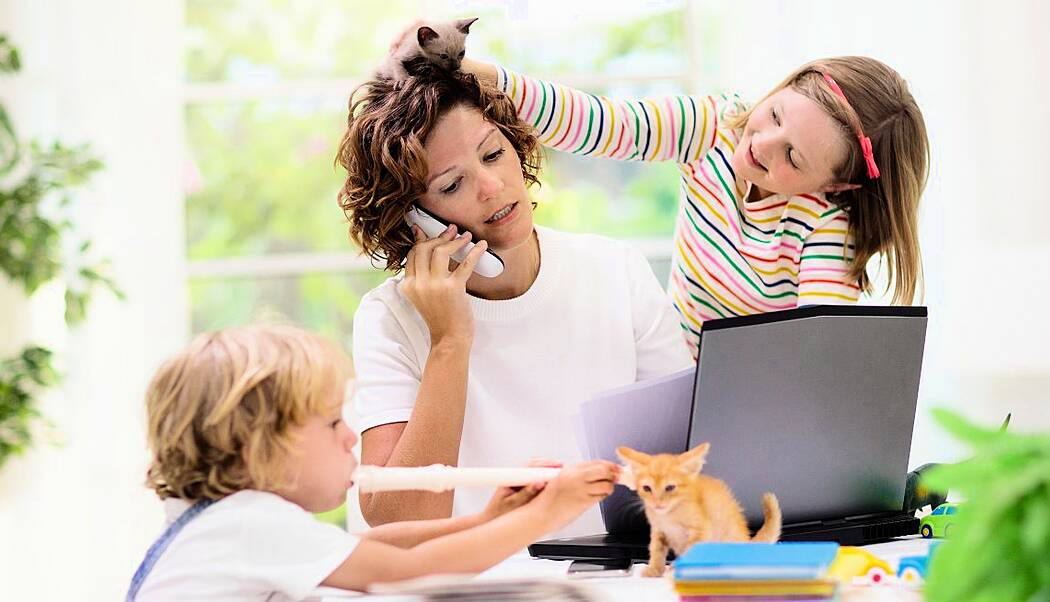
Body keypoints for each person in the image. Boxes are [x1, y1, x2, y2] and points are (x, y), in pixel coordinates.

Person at [335, 61, 692, 534]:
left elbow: (690, 461)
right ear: (412, 220)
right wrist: (449, 341)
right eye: (452, 184)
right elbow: (398, 523)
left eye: (491, 154)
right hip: (465, 582)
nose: (492, 186)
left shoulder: (614, 270)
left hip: (609, 574)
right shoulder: (389, 319)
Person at [461, 55, 930, 357]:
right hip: (667, 368)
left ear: (838, 186)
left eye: (793, 156)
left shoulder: (827, 225)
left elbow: (816, 351)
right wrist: (487, 76)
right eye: (775, 115)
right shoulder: (714, 127)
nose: (762, 144)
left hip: (747, 402)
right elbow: (603, 125)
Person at [129, 324, 619, 600]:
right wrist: (545, 516)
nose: (349, 438)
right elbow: (402, 571)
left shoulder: (230, 524)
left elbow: (371, 546)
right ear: (260, 449)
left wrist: (489, 520)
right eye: (329, 423)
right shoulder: (246, 525)